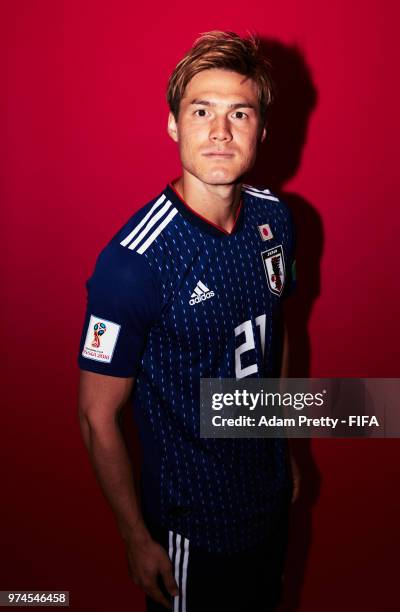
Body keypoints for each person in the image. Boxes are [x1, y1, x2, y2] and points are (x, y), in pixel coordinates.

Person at [77, 30, 300, 612]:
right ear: (174, 125)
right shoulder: (133, 263)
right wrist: (134, 536)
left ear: (262, 130)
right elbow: (96, 415)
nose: (220, 132)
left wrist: (285, 451)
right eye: (201, 111)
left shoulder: (276, 220)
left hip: (269, 503)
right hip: (191, 528)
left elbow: (275, 335)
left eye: (240, 113)